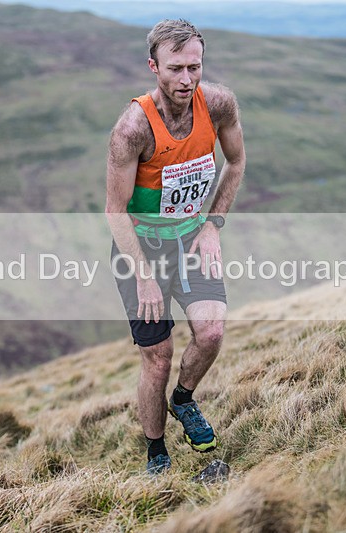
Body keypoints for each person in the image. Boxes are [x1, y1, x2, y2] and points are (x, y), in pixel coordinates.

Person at [105, 19, 246, 474]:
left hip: (190, 237)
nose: (186, 79)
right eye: (175, 69)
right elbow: (114, 210)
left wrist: (212, 226)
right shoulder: (132, 128)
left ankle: (184, 400)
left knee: (211, 332)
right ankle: (155, 451)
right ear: (153, 67)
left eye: (195, 67)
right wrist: (144, 276)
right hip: (140, 249)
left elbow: (237, 161)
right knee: (157, 357)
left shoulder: (219, 103)